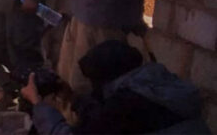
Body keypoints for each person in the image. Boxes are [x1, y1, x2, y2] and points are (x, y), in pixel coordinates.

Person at [21, 40, 210, 134]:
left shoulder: (126, 105)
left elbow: (106, 120)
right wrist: (74, 99)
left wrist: (38, 105)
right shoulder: (153, 85)